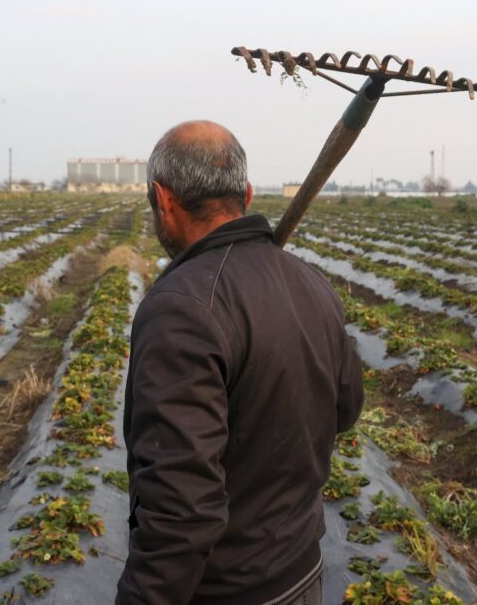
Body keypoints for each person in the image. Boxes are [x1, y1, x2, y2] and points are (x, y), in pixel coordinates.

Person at [116, 121, 364, 604]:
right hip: (302, 570)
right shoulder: (311, 282)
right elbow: (347, 407)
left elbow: (180, 508)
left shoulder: (181, 308)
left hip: (227, 591)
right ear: (246, 194)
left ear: (162, 199)